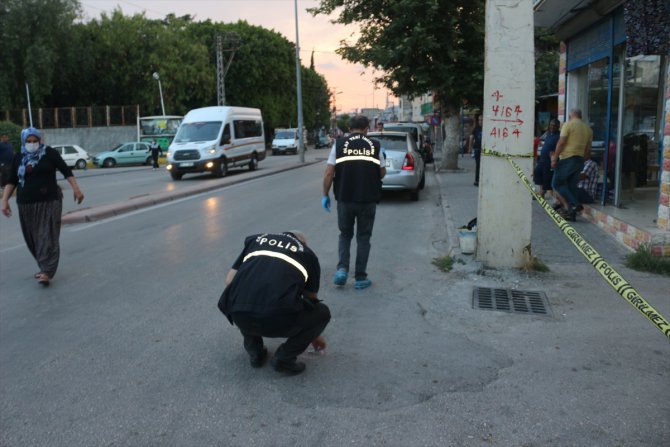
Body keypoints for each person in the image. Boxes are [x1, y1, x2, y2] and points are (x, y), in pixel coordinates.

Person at [217, 231, 330, 375]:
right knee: (322, 313)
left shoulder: (256, 240)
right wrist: (314, 335)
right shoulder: (307, 254)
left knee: (246, 295)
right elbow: (311, 299)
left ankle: (255, 352)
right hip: (278, 320)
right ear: (303, 243)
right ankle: (284, 358)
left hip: (240, 315)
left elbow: (229, 280)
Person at [1, 127, 84, 286]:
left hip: (50, 201)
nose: (32, 144)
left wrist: (76, 189)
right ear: (24, 141)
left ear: (40, 140)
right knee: (32, 238)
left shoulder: (49, 153)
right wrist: (4, 201)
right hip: (25, 203)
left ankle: (47, 270)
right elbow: (12, 180)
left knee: (47, 235)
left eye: (35, 141)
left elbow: (66, 171)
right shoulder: (19, 157)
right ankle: (43, 266)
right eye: (29, 141)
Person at [321, 115, 386, 290]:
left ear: (349, 129)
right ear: (366, 129)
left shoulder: (339, 144)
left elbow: (328, 173)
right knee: (363, 238)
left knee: (345, 235)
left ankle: (342, 270)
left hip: (345, 199)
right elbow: (382, 173)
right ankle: (360, 277)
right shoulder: (375, 145)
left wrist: (325, 194)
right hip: (368, 200)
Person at [551, 108, 593, 222]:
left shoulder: (568, 125)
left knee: (556, 183)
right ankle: (571, 214)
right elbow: (588, 149)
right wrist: (582, 160)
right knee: (571, 186)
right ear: (580, 116)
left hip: (567, 158)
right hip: (579, 160)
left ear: (570, 115)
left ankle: (575, 204)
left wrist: (555, 157)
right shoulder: (588, 129)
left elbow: (561, 142)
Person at [533, 119, 560, 200]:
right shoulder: (548, 133)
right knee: (537, 172)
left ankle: (542, 194)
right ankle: (542, 192)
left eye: (554, 126)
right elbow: (541, 140)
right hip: (542, 158)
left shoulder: (559, 136)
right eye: (551, 125)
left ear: (558, 127)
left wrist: (554, 157)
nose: (552, 127)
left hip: (550, 160)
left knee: (546, 177)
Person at [468, 115, 483, 186]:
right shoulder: (476, 128)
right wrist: (470, 148)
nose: (480, 122)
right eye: (479, 120)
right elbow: (471, 138)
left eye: (482, 120)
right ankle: (477, 180)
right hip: (477, 149)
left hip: (485, 150)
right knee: (478, 165)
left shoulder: (487, 128)